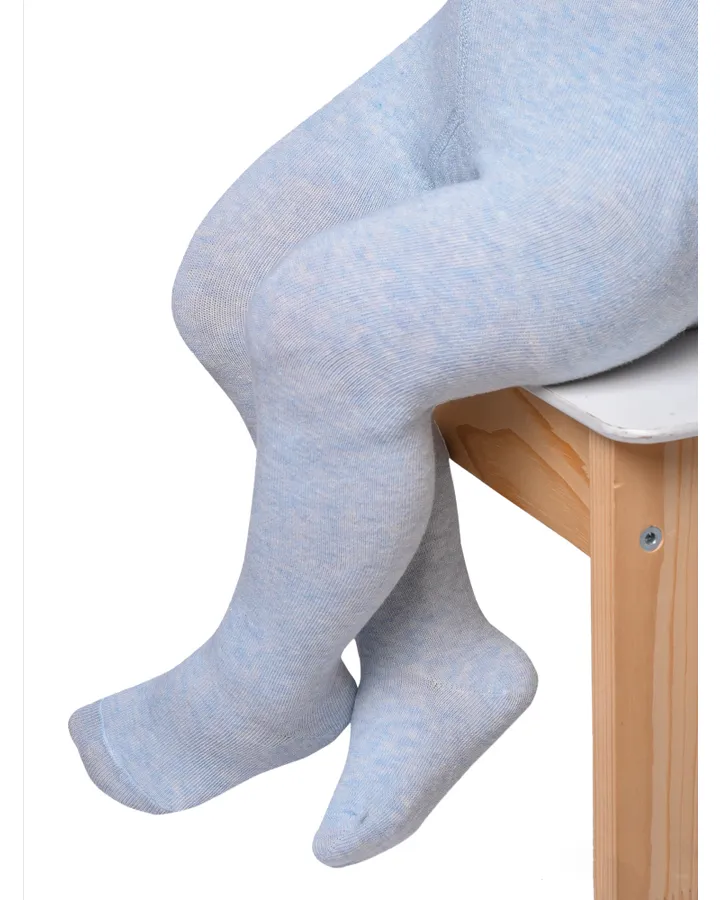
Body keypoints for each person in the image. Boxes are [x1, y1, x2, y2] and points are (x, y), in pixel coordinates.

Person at [69, 0, 697, 867]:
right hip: (528, 36)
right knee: (229, 284)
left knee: (328, 328)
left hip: (670, 123)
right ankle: (436, 651)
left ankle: (254, 696)